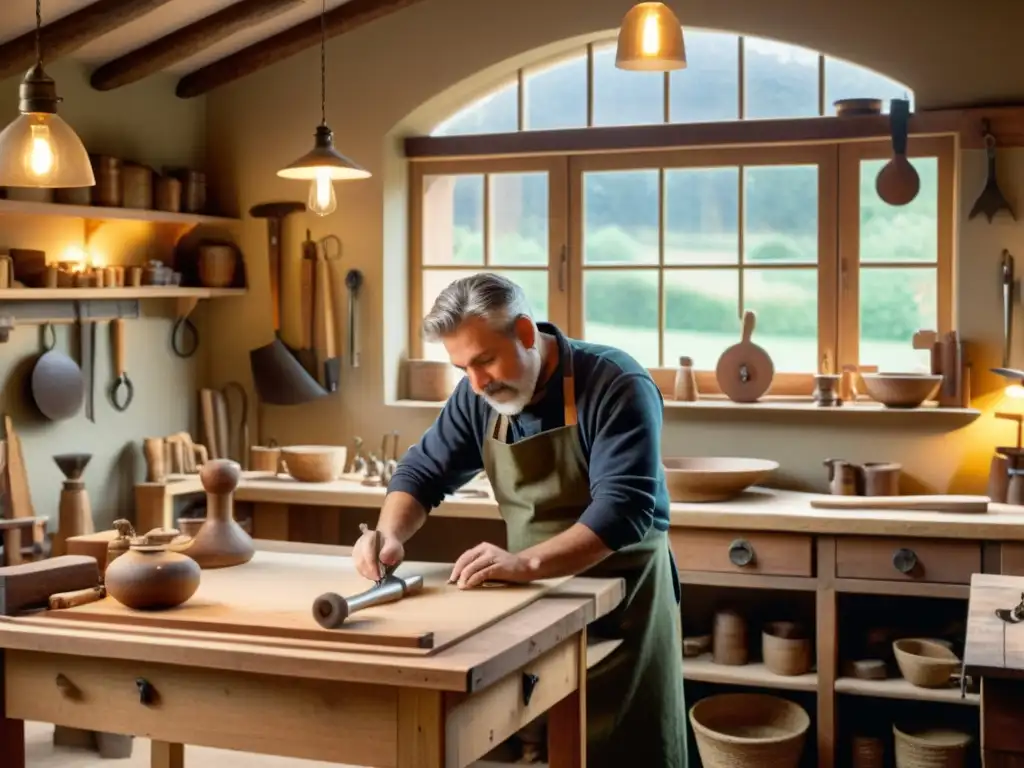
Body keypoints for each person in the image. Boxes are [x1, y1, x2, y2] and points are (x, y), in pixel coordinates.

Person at [353, 272, 687, 767]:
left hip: (625, 600)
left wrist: (524, 564)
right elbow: (422, 472)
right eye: (462, 367)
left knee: (629, 749)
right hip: (534, 603)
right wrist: (388, 535)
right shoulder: (478, 396)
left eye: (485, 360)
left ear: (527, 333)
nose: (477, 382)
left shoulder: (617, 383)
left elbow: (623, 510)